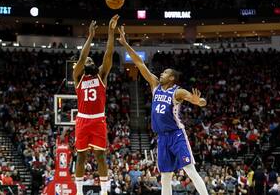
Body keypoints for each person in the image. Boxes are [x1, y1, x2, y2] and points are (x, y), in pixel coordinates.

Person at [117, 26, 209, 195]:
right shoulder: (155, 85)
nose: (161, 74)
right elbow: (139, 63)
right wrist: (125, 44)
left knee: (190, 170)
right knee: (165, 176)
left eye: (165, 73)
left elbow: (195, 99)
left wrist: (200, 102)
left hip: (176, 135)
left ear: (172, 78)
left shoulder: (177, 91)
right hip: (162, 138)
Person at [73, 14, 119, 195]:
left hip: (98, 119)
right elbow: (82, 56)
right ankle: (78, 191)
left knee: (101, 156)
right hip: (83, 120)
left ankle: (104, 191)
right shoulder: (78, 77)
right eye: (87, 61)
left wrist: (110, 32)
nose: (89, 61)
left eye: (92, 60)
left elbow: (108, 53)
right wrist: (90, 37)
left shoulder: (101, 74)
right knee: (81, 156)